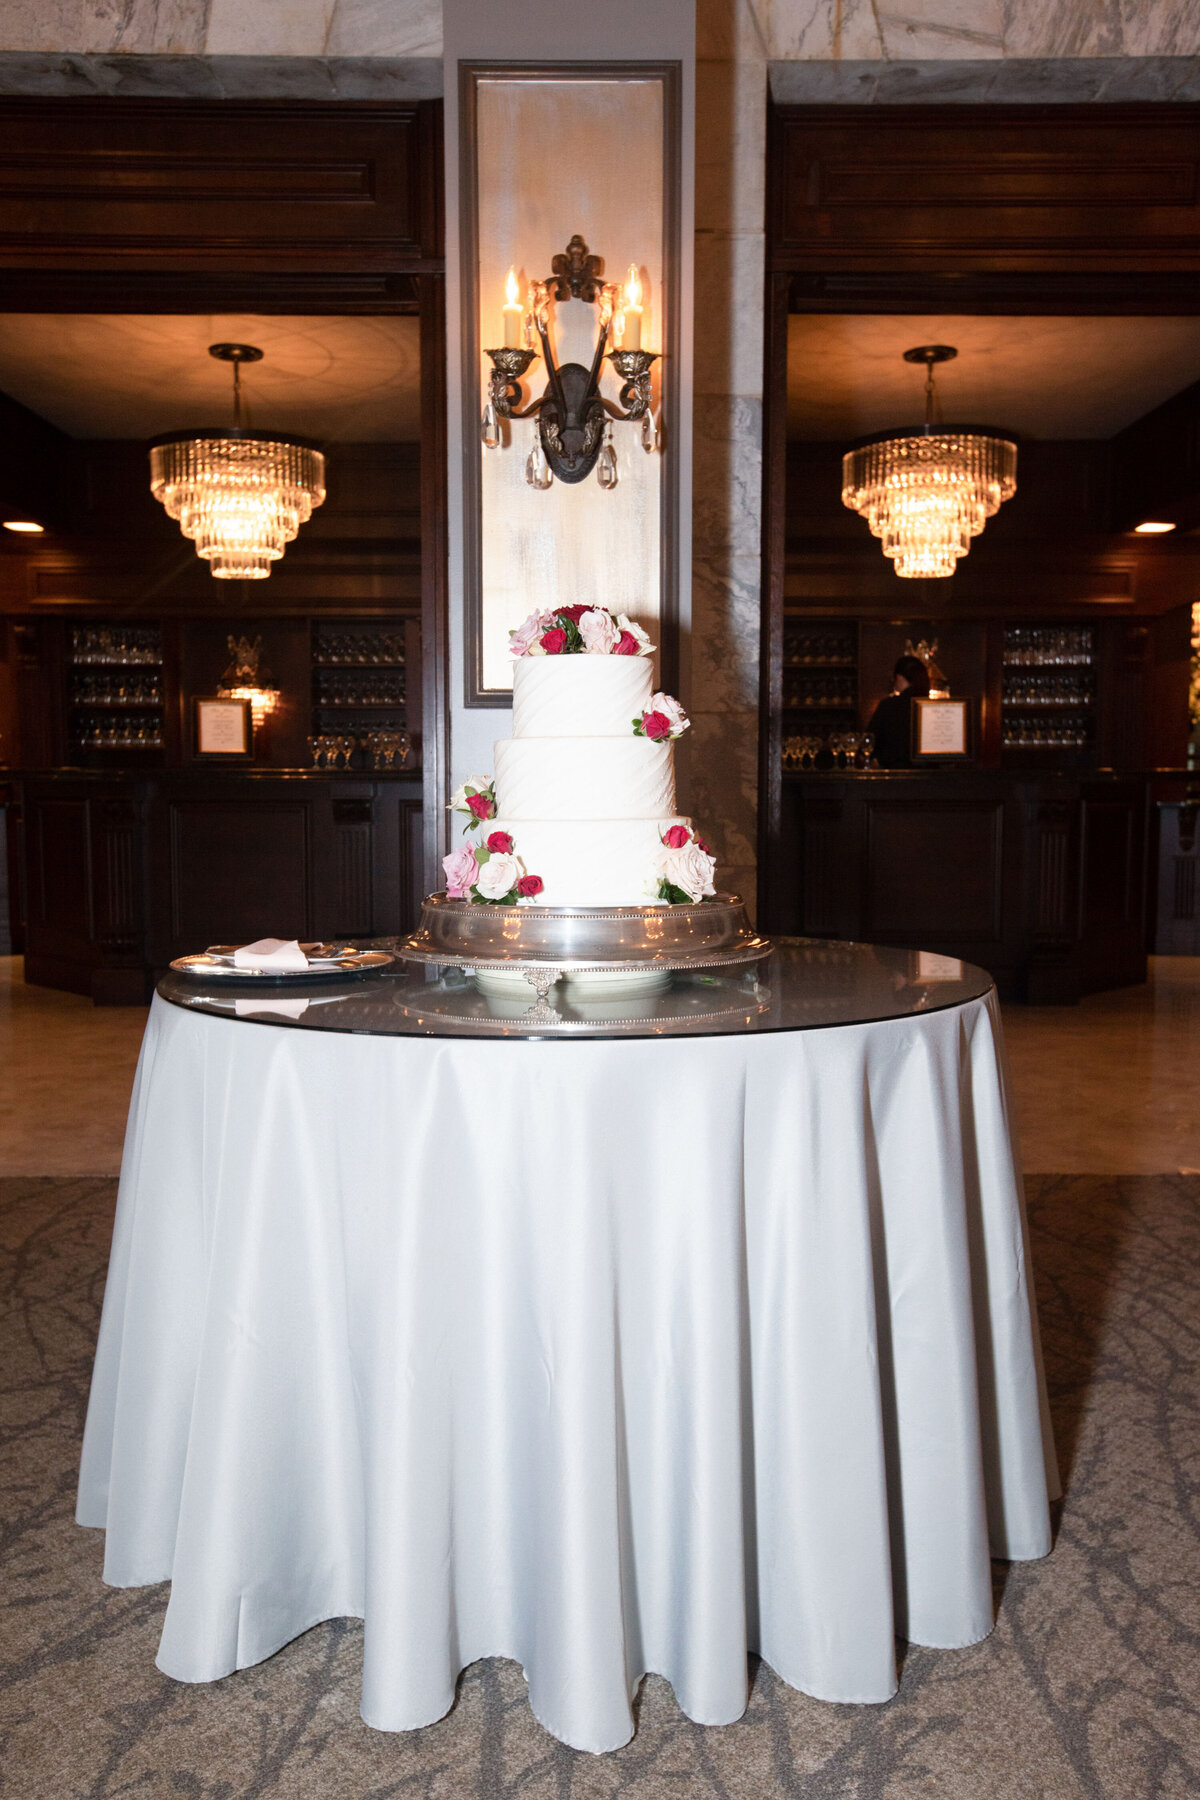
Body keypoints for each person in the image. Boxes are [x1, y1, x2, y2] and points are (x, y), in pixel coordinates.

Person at [867, 654, 930, 769]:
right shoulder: (932, 708)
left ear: (899, 677)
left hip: (893, 773)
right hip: (930, 777)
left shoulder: (889, 705)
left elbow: (870, 740)